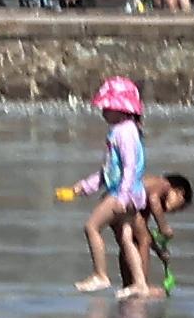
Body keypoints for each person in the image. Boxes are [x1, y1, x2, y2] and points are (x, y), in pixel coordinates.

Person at [62, 76, 151, 294]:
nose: (103, 111)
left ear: (122, 109)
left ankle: (100, 275)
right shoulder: (119, 131)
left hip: (124, 194)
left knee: (91, 227)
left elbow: (130, 167)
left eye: (107, 107)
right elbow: (108, 171)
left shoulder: (125, 133)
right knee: (125, 238)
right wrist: (82, 187)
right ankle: (140, 284)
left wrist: (121, 196)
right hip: (127, 192)